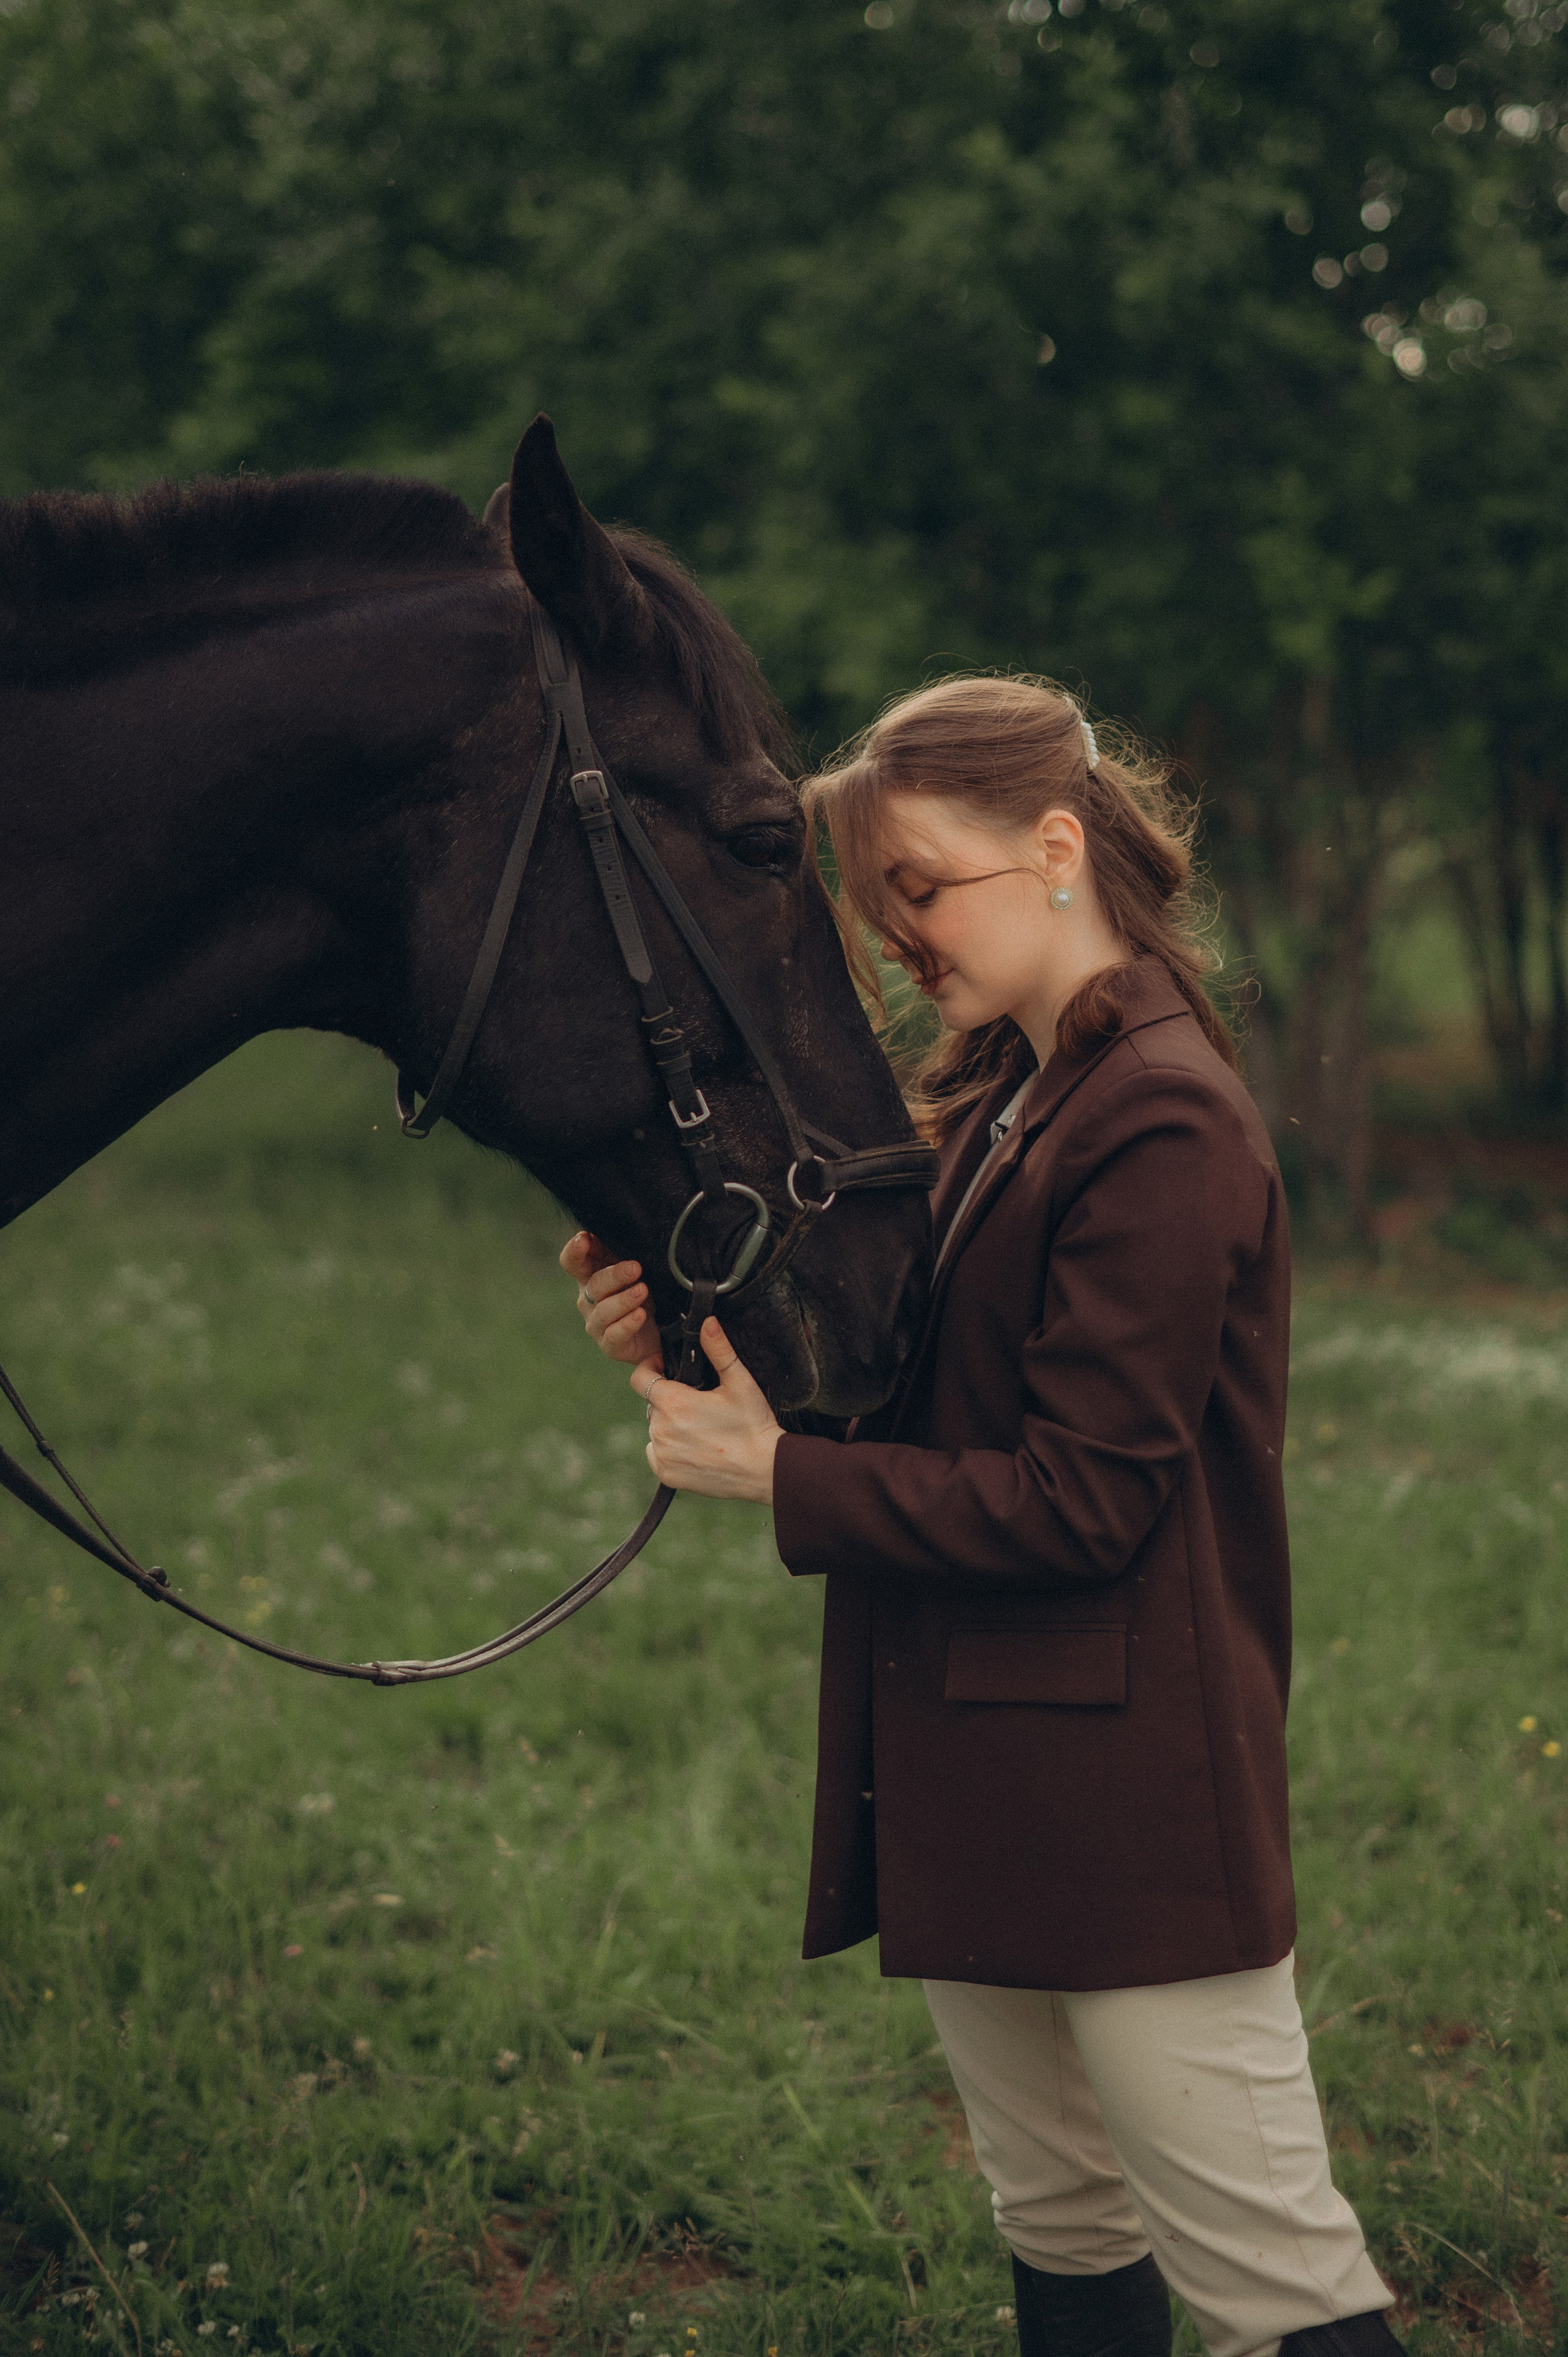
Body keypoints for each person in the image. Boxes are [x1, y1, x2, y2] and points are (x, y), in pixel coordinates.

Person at [560, 676, 1401, 2357]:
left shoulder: (1161, 1114)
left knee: (1277, 2295)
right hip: (980, 1764)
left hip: (1138, 1806)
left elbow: (1085, 1500)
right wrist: (688, 1340)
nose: (897, 939)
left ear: (1060, 847)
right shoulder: (1000, 1096)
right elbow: (915, 1393)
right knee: (1067, 2235)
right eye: (881, 908)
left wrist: (778, 1480)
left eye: (921, 888)